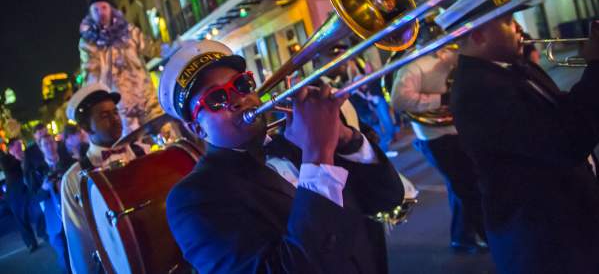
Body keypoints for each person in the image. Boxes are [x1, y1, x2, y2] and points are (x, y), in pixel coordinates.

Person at [160, 40, 405, 273]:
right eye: (217, 98)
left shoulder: (297, 142)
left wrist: (346, 139)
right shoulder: (193, 199)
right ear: (197, 128)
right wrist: (318, 154)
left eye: (242, 85)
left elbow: (387, 198)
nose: (238, 99)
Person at [446, 0, 599, 273]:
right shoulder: (478, 91)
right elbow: (566, 142)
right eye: (507, 21)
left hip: (566, 224)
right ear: (478, 34)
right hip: (544, 242)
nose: (518, 28)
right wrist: (596, 68)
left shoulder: (513, 66)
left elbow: (561, 114)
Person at [392, 44, 486, 252]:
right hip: (434, 135)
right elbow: (399, 99)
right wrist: (440, 99)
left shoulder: (451, 55)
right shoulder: (414, 65)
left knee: (464, 184)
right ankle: (473, 235)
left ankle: (464, 236)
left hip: (457, 128)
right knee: (464, 186)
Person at [61, 82, 148, 274]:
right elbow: (79, 241)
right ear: (86, 127)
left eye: (115, 112)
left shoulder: (144, 153)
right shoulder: (73, 178)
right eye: (104, 115)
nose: (115, 119)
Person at [79, 0, 162, 134]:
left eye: (104, 8)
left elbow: (152, 48)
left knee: (165, 137)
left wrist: (180, 48)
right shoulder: (88, 43)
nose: (101, 13)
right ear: (90, 14)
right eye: (96, 10)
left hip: (147, 99)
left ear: (111, 9)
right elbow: (90, 74)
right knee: (136, 148)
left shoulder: (129, 32)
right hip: (120, 107)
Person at [29, 134, 73, 273]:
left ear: (56, 144)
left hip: (73, 216)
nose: (49, 146)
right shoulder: (37, 172)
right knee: (64, 258)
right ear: (41, 149)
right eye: (45, 144)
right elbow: (34, 200)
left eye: (50, 143)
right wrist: (44, 188)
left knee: (81, 253)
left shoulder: (69, 163)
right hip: (54, 222)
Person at [0, 138, 39, 252]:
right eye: (18, 145)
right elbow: (9, 168)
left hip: (27, 189)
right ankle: (31, 243)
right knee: (21, 219)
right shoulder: (5, 159)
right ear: (11, 147)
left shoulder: (25, 155)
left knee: (36, 211)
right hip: (14, 194)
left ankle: (43, 232)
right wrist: (19, 158)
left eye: (20, 144)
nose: (20, 147)